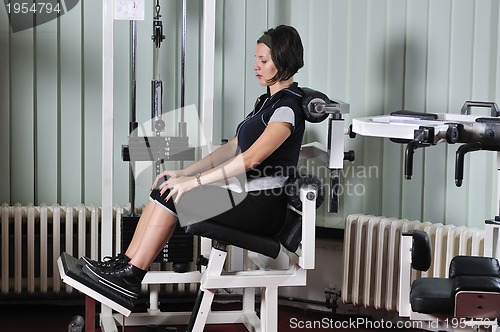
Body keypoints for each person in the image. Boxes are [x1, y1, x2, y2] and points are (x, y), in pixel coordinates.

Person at [80, 24, 306, 299]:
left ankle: (131, 277)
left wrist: (194, 182)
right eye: (255, 59)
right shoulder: (266, 102)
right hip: (246, 196)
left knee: (177, 197)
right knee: (166, 188)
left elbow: (249, 160)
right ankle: (126, 264)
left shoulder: (287, 108)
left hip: (263, 207)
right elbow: (233, 147)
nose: (255, 66)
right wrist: (184, 173)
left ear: (283, 61)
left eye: (263, 60)